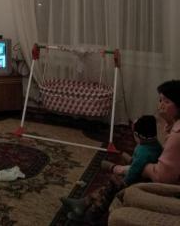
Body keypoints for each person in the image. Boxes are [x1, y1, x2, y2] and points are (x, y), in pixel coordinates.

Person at [61, 79, 180, 223]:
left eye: (167, 102)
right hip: (160, 169)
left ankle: (90, 214)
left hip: (169, 185)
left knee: (117, 182)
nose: (161, 105)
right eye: (160, 100)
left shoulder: (177, 135)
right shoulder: (171, 125)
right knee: (118, 178)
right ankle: (84, 203)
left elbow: (162, 177)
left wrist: (138, 167)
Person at [101, 115, 162, 186]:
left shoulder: (143, 153)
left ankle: (114, 167)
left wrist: (125, 182)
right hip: (143, 162)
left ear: (136, 135)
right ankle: (131, 160)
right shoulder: (156, 144)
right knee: (135, 161)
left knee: (128, 169)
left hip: (141, 172)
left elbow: (134, 171)